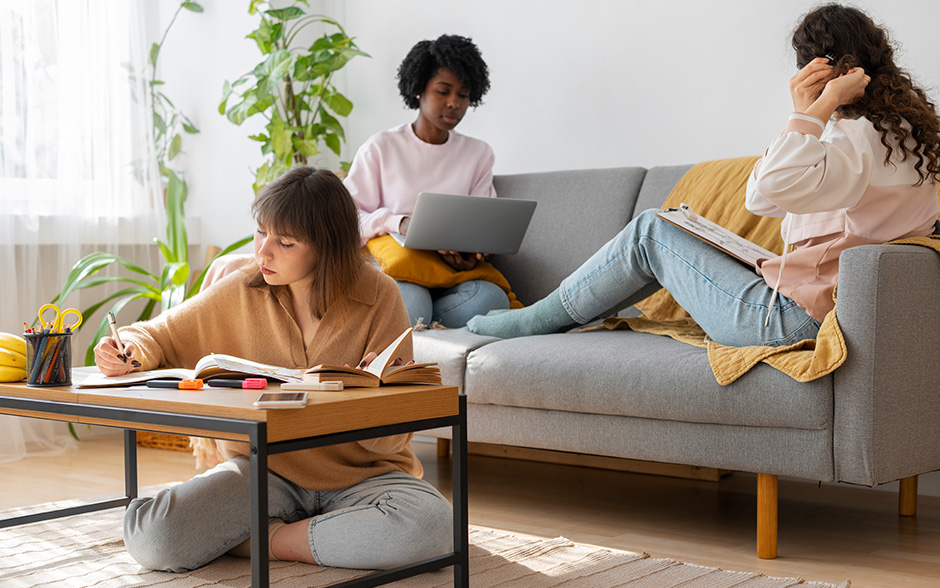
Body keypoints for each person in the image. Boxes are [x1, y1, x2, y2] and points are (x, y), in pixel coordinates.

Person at [468, 3, 940, 348]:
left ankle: (532, 321)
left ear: (819, 69)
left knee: (652, 230)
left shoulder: (855, 137)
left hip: (792, 320)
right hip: (818, 305)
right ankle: (550, 319)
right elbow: (779, 199)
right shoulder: (909, 135)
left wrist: (813, 108)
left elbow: (764, 195)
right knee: (678, 224)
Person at [93, 167, 452, 572]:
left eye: (284, 242)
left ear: (326, 246)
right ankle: (329, 537)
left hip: (365, 476)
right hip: (265, 471)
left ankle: (270, 539)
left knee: (433, 526)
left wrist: (368, 397)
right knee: (153, 537)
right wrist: (124, 350)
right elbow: (157, 334)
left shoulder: (379, 295)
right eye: (260, 232)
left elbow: (392, 440)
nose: (263, 252)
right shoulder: (241, 288)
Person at [344, 34, 510, 328]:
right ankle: (418, 331)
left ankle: (422, 327)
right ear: (418, 89)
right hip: (394, 270)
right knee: (413, 300)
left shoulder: (479, 154)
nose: (454, 103)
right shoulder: (381, 147)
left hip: (450, 276)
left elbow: (485, 223)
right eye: (443, 91)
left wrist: (474, 254)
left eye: (463, 94)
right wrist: (398, 222)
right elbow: (346, 220)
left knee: (492, 299)